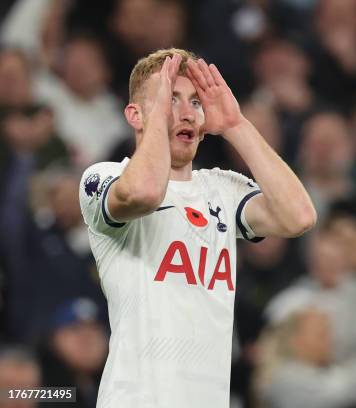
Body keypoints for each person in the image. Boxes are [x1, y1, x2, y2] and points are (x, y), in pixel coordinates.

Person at [78, 48, 316, 407]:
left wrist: (238, 126)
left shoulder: (222, 188)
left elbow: (299, 216)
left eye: (194, 102)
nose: (186, 112)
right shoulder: (104, 178)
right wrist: (159, 118)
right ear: (135, 114)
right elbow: (144, 192)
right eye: (169, 98)